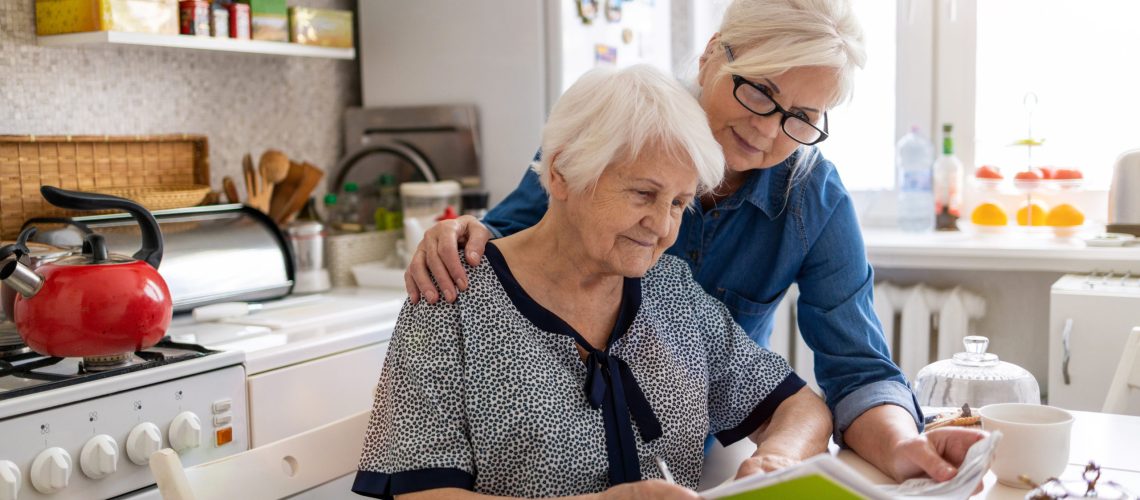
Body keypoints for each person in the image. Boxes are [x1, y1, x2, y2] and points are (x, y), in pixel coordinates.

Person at [403, 0, 985, 486]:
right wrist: (457, 234)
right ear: (712, 55)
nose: (765, 129)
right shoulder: (613, 133)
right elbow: (507, 245)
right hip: (553, 463)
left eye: (801, 116)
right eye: (759, 91)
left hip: (698, 455)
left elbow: (857, 371)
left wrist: (903, 445)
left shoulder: (813, 199)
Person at [353, 65, 831, 499]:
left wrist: (778, 461)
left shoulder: (672, 290)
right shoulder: (452, 295)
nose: (663, 227)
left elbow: (800, 407)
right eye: (644, 193)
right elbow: (422, 495)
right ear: (562, 173)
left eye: (679, 203)